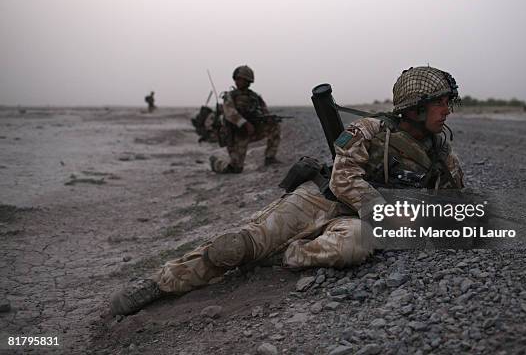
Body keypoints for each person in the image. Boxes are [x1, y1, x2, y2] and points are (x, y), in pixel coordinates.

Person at [110, 66, 465, 316]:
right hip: (317, 199)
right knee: (237, 246)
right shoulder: (369, 130)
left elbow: (453, 202)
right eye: (440, 103)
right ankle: (162, 283)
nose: (447, 110)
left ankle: (283, 256)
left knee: (353, 246)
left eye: (448, 103)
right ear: (416, 106)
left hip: (354, 220)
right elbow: (343, 180)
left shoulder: (440, 154)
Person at [209, 65, 281, 173]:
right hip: (236, 134)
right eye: (237, 79)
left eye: (242, 79)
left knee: (274, 125)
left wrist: (268, 119)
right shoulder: (230, 96)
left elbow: (264, 110)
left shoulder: (254, 97)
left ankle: (270, 157)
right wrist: (245, 123)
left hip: (252, 130)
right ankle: (216, 163)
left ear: (248, 81)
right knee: (235, 169)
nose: (239, 81)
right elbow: (230, 113)